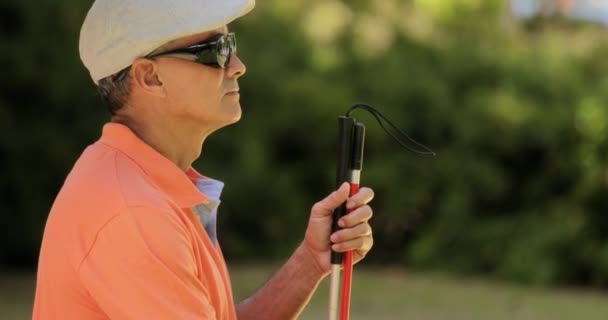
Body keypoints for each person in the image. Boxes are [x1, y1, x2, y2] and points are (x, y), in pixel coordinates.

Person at [32, 0, 375, 319]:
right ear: (150, 77)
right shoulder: (135, 213)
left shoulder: (142, 184)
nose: (238, 66)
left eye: (231, 44)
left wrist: (310, 263)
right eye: (215, 51)